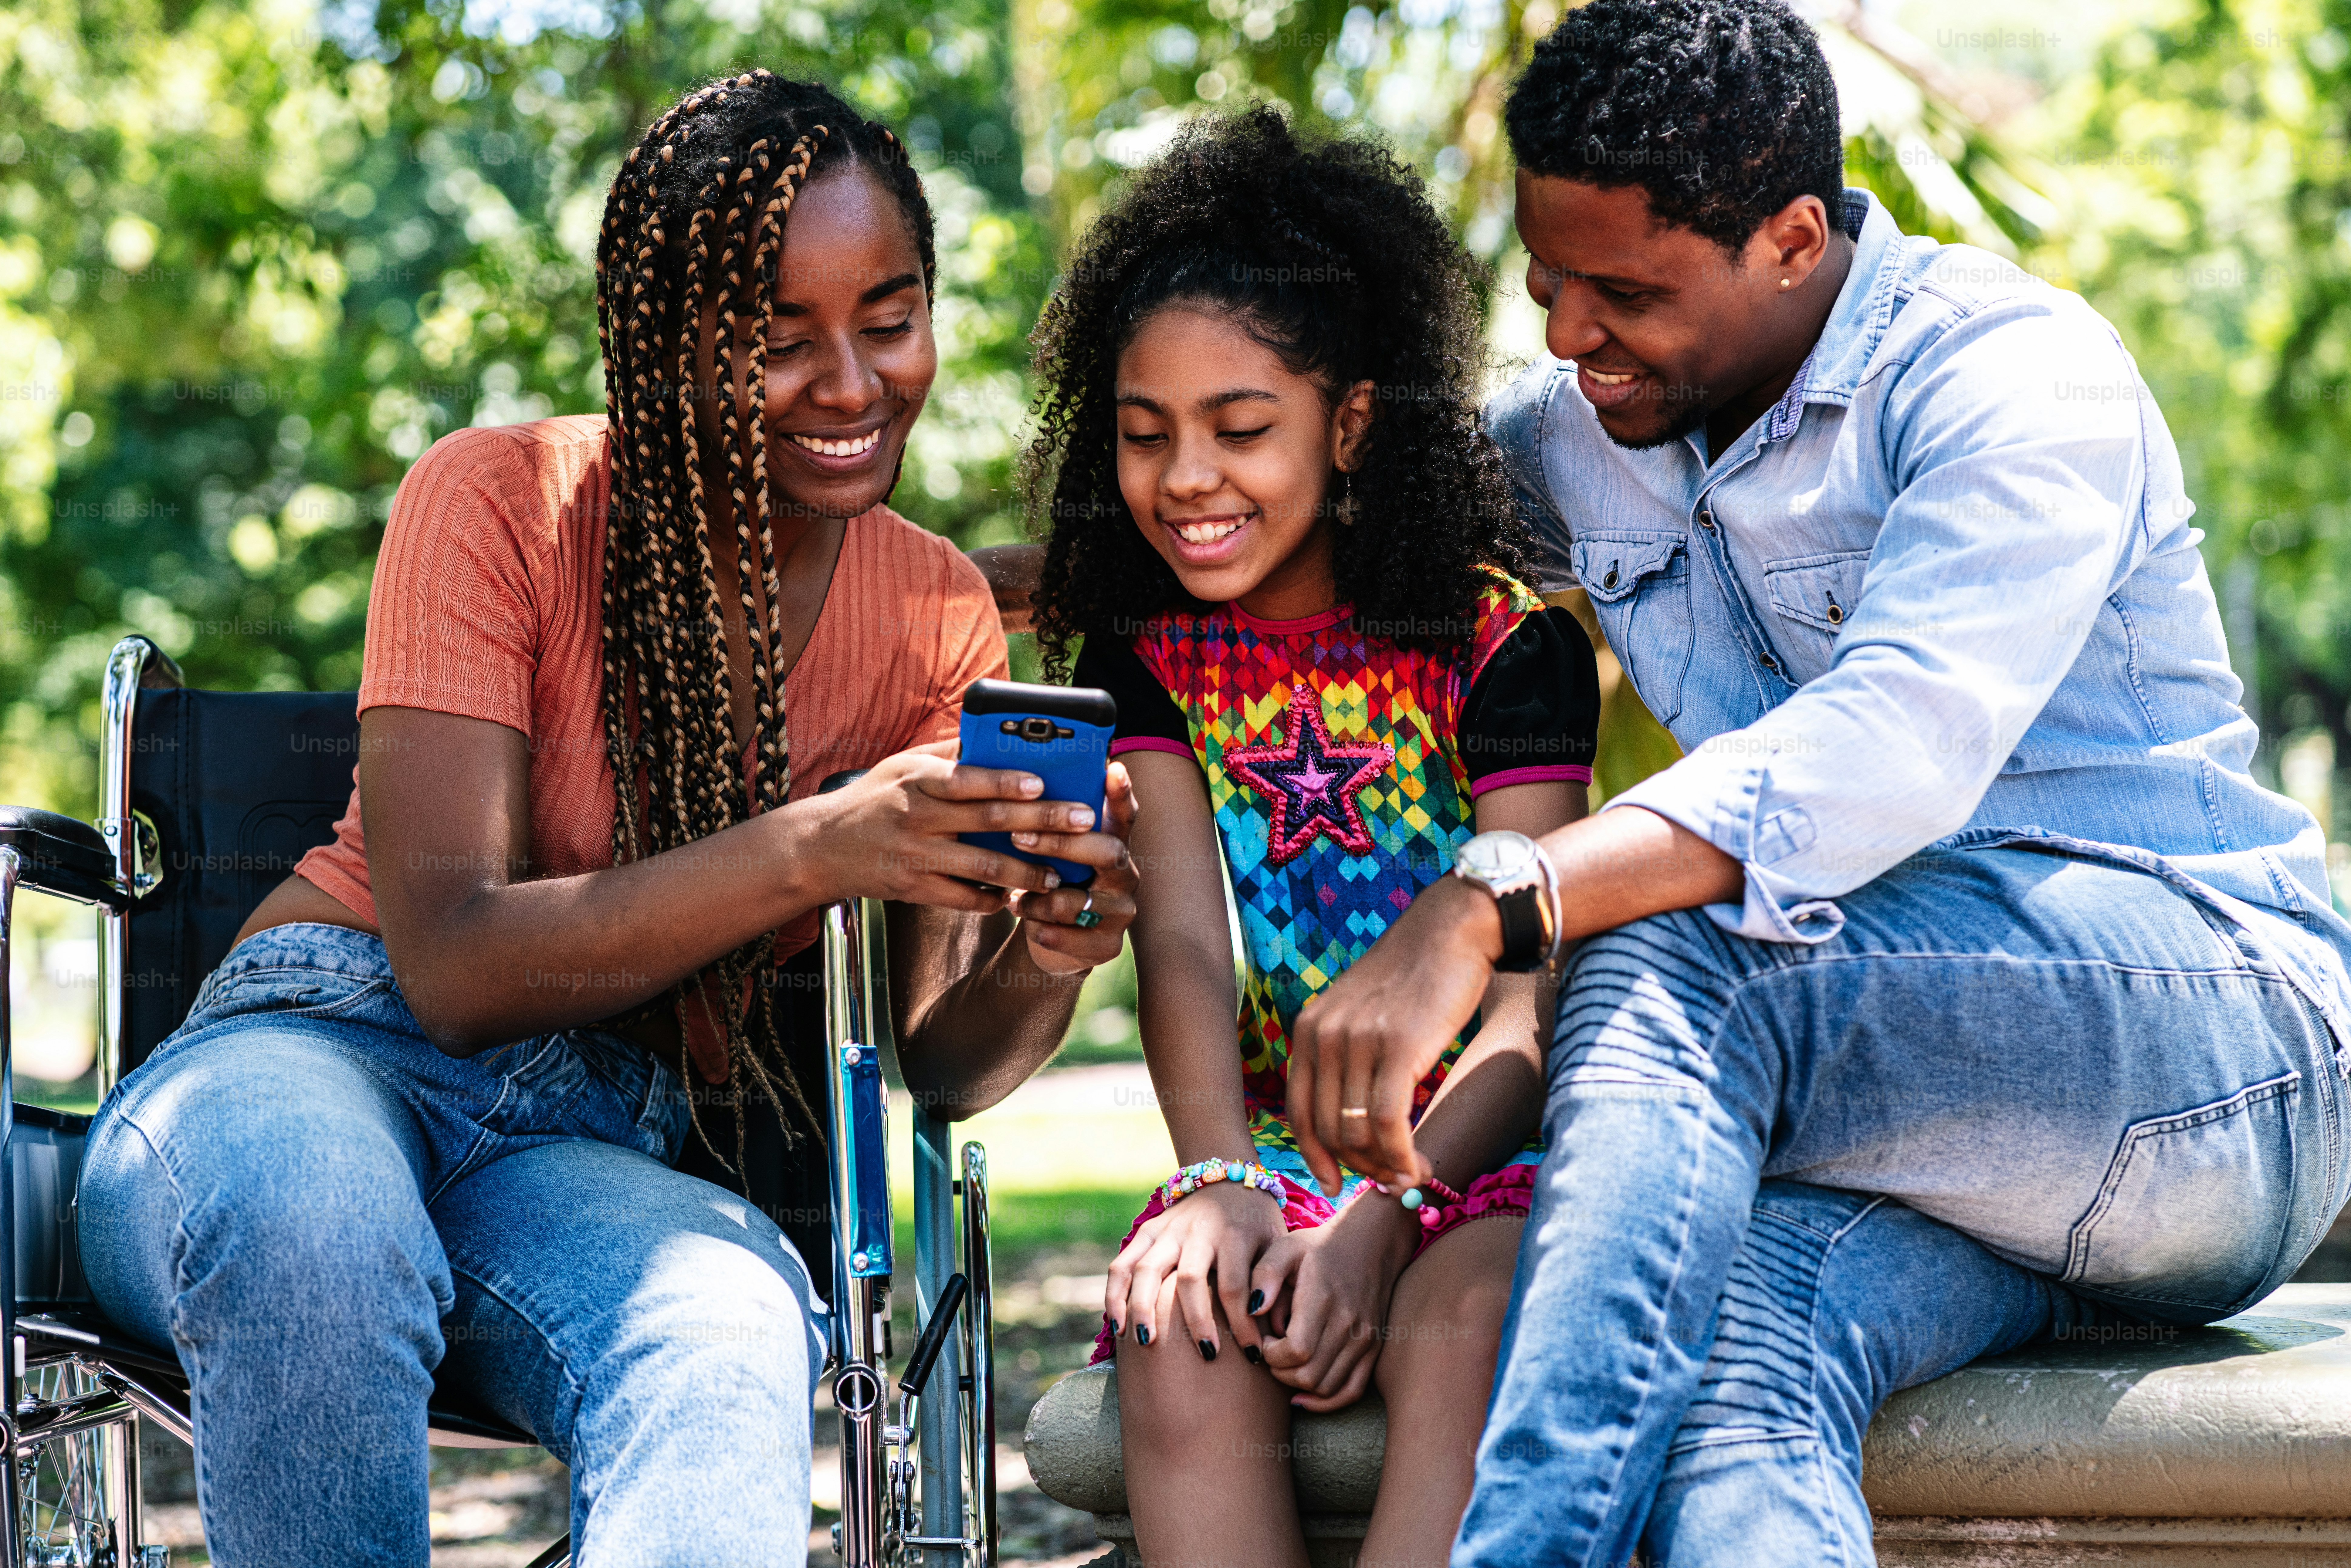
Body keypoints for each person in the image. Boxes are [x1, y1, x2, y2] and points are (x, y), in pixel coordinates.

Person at [1272, 3, 2351, 1564]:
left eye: (1625, 291)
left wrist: (1494, 896)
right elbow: (1297, 494)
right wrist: (987, 590)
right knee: (1724, 1364)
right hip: (1936, 1159)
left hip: (2206, 1068)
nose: (1570, 336)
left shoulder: (2004, 373)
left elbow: (1887, 742)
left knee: (1661, 936)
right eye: (1546, 281)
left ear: (1789, 238)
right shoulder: (1591, 432)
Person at [73, 72, 1140, 1568]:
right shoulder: (498, 501)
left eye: (888, 320)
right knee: (318, 1228)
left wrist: (1046, 949)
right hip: (315, 1053)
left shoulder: (932, 611)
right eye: (777, 342)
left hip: (584, 1136)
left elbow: (941, 1062)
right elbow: (451, 965)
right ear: (663, 352)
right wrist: (824, 839)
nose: (851, 382)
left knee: (727, 1326)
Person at [1025, 109, 1604, 1568]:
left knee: (1467, 1312)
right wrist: (1216, 1180)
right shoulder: (1148, 651)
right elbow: (1175, 941)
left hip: (1486, 1140)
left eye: (1240, 428)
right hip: (1277, 1142)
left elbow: (1533, 993)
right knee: (1177, 1313)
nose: (1187, 480)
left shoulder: (1496, 639)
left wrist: (1382, 1214)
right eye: (1143, 434)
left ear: (1347, 423)